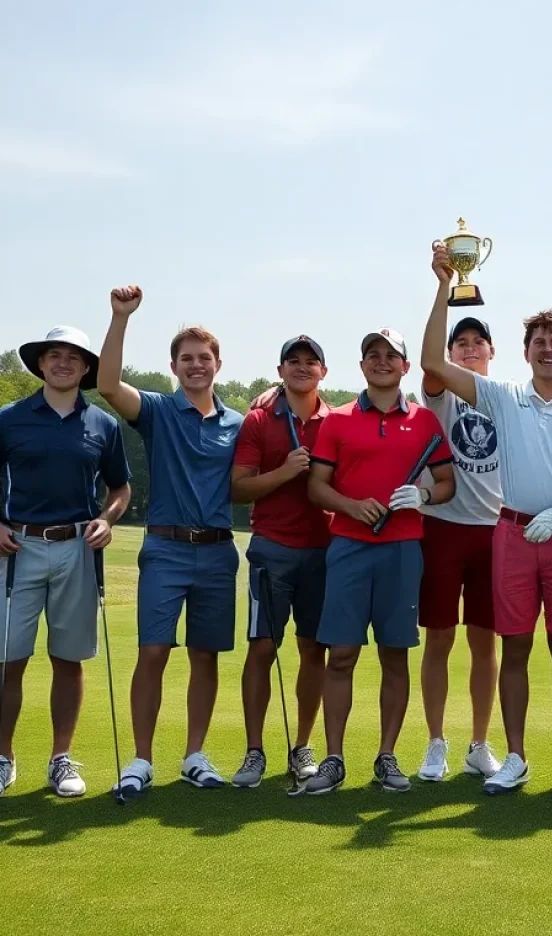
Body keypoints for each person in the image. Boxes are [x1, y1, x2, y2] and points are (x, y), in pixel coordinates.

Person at [420, 245, 552, 798]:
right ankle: (515, 756)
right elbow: (434, 363)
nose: (548, 349)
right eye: (539, 341)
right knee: (516, 647)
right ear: (525, 352)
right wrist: (441, 286)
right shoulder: (503, 396)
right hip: (511, 531)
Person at [0, 326, 131, 801]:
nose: (63, 363)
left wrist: (107, 518)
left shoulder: (103, 424)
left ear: (85, 370)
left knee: (68, 659)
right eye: (54, 355)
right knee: (8, 660)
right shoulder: (9, 418)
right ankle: (3, 759)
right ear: (40, 364)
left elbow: (120, 489)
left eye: (74, 358)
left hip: (78, 547)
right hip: (17, 547)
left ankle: (61, 758)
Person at [97, 286, 244, 797]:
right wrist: (120, 318)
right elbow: (109, 384)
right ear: (174, 365)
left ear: (218, 364)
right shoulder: (158, 411)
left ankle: (195, 755)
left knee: (205, 655)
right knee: (154, 651)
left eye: (204, 358)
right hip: (165, 549)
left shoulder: (237, 424)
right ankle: (141, 760)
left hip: (219, 551)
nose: (196, 366)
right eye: (187, 359)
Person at [301, 328, 456, 794]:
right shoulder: (339, 420)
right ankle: (333, 758)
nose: (382, 361)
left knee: (394, 653)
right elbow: (317, 487)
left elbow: (448, 484)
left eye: (392, 355)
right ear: (362, 364)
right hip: (349, 547)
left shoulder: (426, 423)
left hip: (403, 548)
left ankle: (387, 756)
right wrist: (350, 505)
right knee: (342, 654)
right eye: (373, 354)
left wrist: (423, 494)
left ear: (406, 366)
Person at [229, 336, 332, 791]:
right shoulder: (258, 419)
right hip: (271, 549)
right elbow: (239, 487)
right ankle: (254, 750)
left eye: (312, 362)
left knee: (314, 650)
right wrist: (285, 472)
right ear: (280, 369)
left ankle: (303, 746)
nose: (303, 367)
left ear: (324, 373)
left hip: (323, 552)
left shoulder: (337, 421)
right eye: (294, 361)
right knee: (263, 648)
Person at [416, 317, 503, 783]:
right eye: (461, 344)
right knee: (439, 638)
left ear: (492, 351)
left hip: (493, 531)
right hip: (443, 527)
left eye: (478, 343)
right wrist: (446, 286)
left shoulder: (507, 398)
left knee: (484, 643)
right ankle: (435, 741)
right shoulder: (442, 395)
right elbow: (431, 367)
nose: (470, 350)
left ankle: (479, 743)